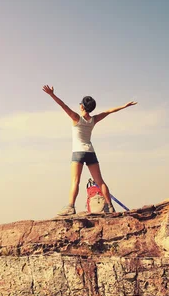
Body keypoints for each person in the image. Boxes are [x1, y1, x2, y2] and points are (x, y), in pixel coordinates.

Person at [42, 85, 137, 215]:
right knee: (100, 181)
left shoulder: (76, 118)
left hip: (78, 152)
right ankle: (110, 206)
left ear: (82, 106)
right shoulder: (94, 119)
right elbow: (109, 111)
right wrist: (124, 106)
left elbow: (63, 105)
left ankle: (70, 207)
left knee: (75, 181)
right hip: (91, 152)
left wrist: (51, 94)